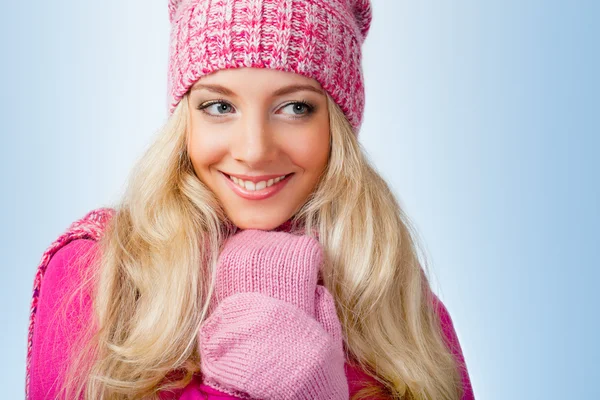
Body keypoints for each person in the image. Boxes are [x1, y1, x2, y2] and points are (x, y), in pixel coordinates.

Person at [26, 1, 475, 399]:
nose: (255, 149)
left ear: (337, 125)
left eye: (295, 107)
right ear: (185, 121)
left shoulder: (393, 293)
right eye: (220, 107)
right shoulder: (99, 270)